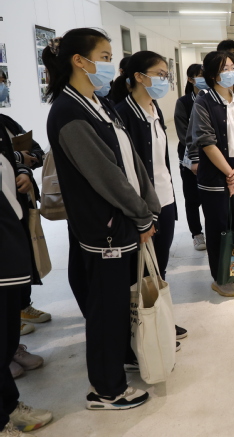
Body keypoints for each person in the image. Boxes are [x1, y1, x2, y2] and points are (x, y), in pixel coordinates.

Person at [44, 28, 158, 410]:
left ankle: (121, 357)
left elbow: (130, 159)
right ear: (80, 61)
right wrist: (140, 214)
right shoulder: (68, 111)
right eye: (105, 57)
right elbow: (106, 175)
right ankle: (106, 390)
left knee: (117, 301)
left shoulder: (99, 102)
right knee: (106, 308)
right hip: (104, 228)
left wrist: (147, 205)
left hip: (123, 219)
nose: (110, 65)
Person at [113, 51, 187, 341]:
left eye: (166, 74)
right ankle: (142, 331)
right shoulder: (122, 114)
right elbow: (123, 170)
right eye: (160, 74)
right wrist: (139, 212)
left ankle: (160, 321)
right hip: (143, 207)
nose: (164, 79)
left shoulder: (154, 110)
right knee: (140, 271)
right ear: (139, 77)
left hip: (165, 199)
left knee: (159, 267)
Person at [190, 51, 234, 297]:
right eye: (224, 68)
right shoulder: (203, 101)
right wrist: (230, 173)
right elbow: (206, 142)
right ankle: (220, 278)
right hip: (217, 174)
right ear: (212, 74)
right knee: (219, 226)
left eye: (233, 66)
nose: (231, 72)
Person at [0, 125, 53, 432]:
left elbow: (17, 156)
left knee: (7, 334)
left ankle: (9, 406)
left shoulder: (3, 124)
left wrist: (23, 169)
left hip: (9, 240)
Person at [0, 114, 51, 334]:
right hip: (4, 208)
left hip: (21, 202)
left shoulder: (6, 122)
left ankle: (21, 307)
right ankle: (9, 321)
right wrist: (20, 158)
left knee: (23, 256)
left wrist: (24, 168)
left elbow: (36, 149)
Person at [174, 64, 207, 251]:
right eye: (199, 76)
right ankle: (197, 234)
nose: (203, 79)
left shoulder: (211, 98)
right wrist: (196, 157)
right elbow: (183, 134)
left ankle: (213, 230)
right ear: (190, 79)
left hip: (211, 156)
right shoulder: (184, 102)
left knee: (210, 197)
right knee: (192, 197)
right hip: (189, 158)